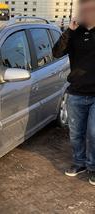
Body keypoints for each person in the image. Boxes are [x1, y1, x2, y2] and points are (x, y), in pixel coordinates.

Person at [52, 0, 95, 186]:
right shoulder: (74, 33)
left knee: (94, 133)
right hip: (76, 92)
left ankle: (93, 166)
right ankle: (80, 163)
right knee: (76, 133)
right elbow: (56, 53)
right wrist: (69, 30)